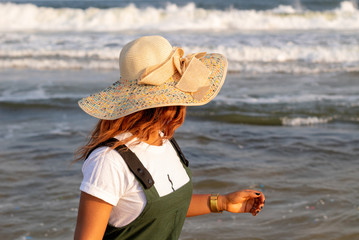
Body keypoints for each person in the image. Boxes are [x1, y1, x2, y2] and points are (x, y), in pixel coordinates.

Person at [74, 35, 265, 240]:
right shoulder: (108, 161)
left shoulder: (163, 139)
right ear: (166, 105)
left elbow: (165, 205)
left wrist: (222, 202)